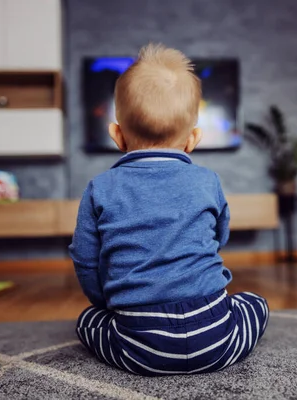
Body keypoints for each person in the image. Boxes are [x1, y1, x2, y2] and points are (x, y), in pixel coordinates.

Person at [69, 44, 268, 376]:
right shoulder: (208, 181)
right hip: (216, 337)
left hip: (138, 346)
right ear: (193, 139)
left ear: (116, 135)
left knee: (86, 321)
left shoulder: (100, 188)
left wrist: (103, 304)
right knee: (255, 304)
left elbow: (85, 259)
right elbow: (219, 237)